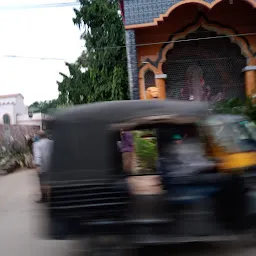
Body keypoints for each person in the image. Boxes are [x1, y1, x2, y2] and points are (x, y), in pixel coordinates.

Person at [33, 130, 53, 203]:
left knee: (42, 183)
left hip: (42, 167)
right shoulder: (51, 142)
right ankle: (51, 197)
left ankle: (44, 198)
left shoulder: (36, 144)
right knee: (51, 182)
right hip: (51, 166)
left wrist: (37, 166)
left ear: (38, 136)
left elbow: (37, 156)